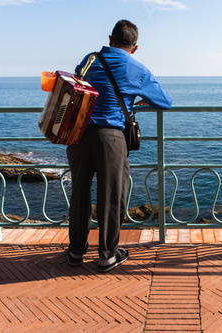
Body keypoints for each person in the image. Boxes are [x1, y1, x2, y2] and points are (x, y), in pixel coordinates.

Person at [66, 20, 172, 272]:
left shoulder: (89, 60)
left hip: (79, 135)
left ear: (110, 39)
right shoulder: (137, 68)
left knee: (79, 193)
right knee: (111, 196)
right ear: (134, 48)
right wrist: (137, 101)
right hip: (110, 138)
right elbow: (165, 101)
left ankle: (75, 252)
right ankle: (107, 256)